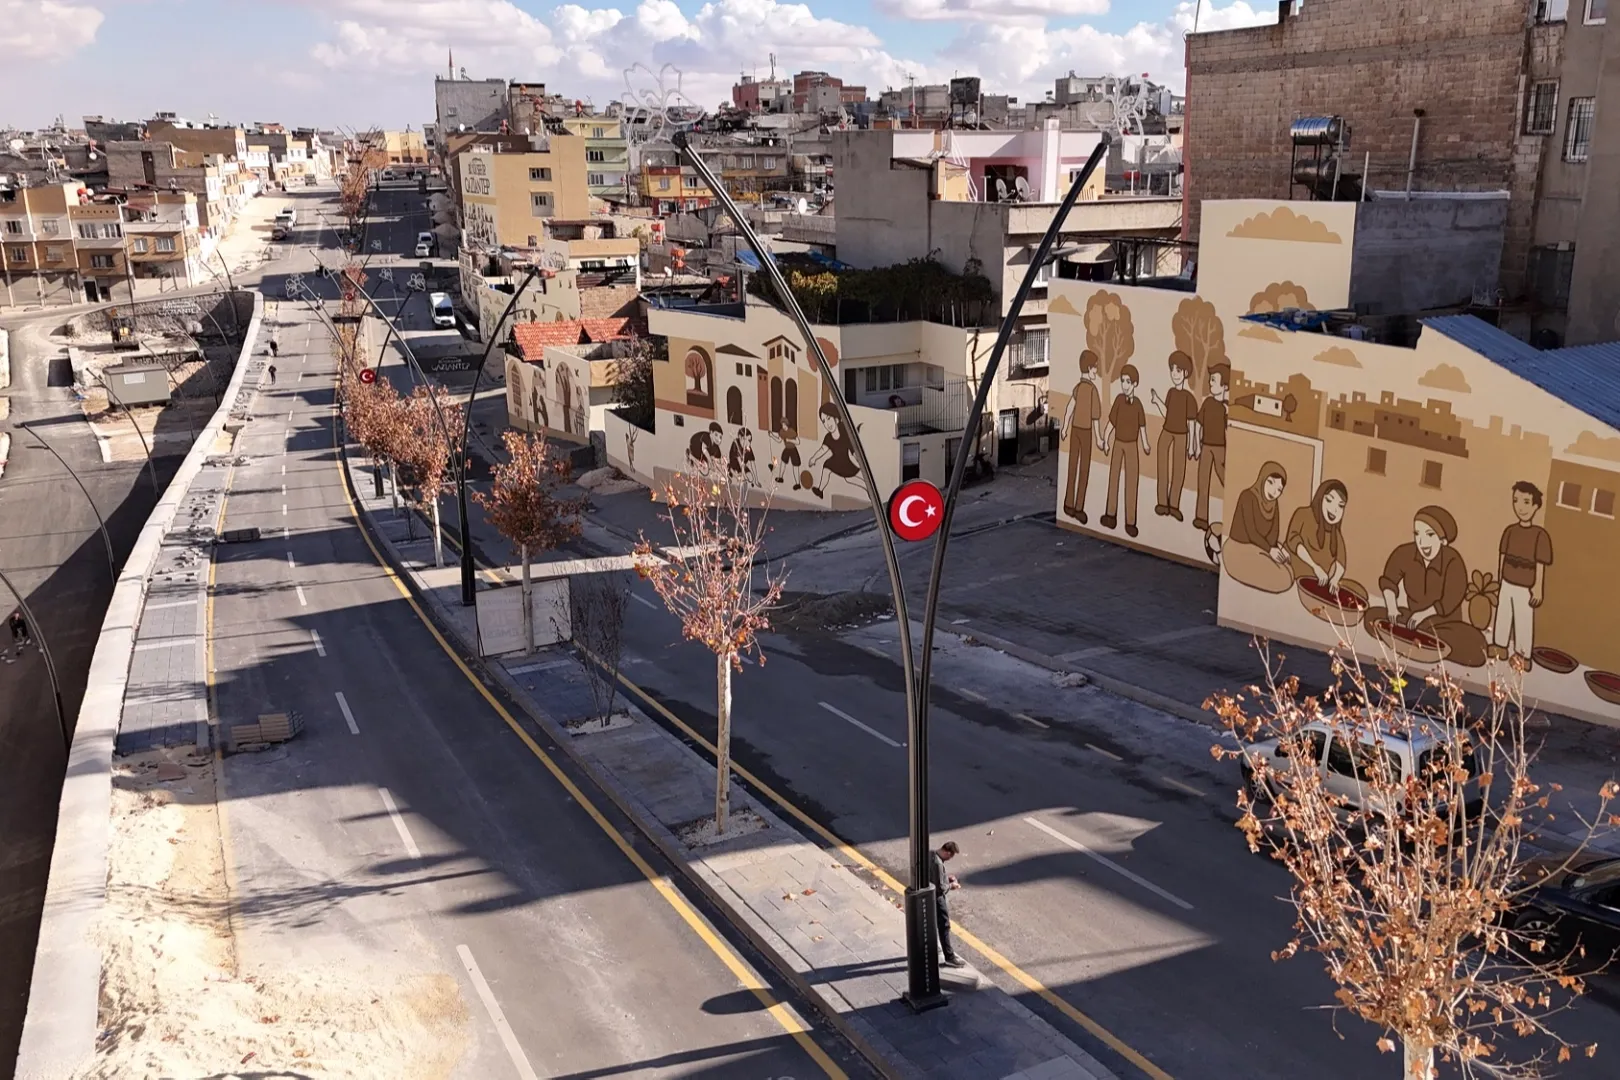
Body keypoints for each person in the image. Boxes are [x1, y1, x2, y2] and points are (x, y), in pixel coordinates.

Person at [1374, 505, 1487, 668]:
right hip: (1412, 621)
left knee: (1475, 648)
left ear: (1443, 540)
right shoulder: (1406, 553)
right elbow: (1389, 579)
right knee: (1374, 617)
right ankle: (1417, 645)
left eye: (1429, 535)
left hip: (1443, 626)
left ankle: (1421, 645)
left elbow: (1451, 598)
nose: (1422, 542)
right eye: (1417, 534)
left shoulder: (1453, 561)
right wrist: (1392, 607)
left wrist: (1424, 614)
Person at [1491, 481, 1553, 665]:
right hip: (1507, 582)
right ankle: (1500, 646)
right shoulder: (1510, 531)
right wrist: (1499, 580)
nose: (1520, 507)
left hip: (1525, 586)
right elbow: (1502, 557)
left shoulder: (1540, 535)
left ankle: (1522, 655)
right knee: (1503, 615)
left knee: (1523, 620)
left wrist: (1538, 588)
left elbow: (1541, 564)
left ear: (1535, 506)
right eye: (1516, 501)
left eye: (1526, 502)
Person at [1286, 478, 1365, 602]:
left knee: (1359, 593)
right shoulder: (1303, 514)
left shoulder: (1336, 534)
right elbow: (1294, 542)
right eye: (1329, 500)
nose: (1334, 510)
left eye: (1340, 506)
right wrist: (1315, 567)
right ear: (1320, 499)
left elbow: (1341, 562)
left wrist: (1335, 579)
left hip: (1320, 583)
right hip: (1295, 575)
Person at [1224, 462, 1295, 594]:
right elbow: (1251, 532)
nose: (1274, 492)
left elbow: (1274, 533)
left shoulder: (1274, 504)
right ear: (1262, 478)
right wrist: (1270, 550)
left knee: (1289, 569)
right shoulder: (1247, 496)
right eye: (1271, 483)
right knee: (1283, 577)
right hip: (1239, 547)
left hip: (1260, 547)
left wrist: (1278, 548)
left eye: (1279, 490)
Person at [1099, 365, 1151, 538]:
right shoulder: (1119, 400)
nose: (1125, 385)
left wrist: (1145, 444)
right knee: (1113, 477)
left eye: (1128, 382)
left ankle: (1130, 522)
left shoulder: (1138, 405)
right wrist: (1105, 439)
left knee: (1131, 481)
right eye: (1123, 381)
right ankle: (1110, 515)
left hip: (1132, 445)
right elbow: (1111, 423)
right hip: (1118, 443)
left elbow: (1142, 427)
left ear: (1135, 384)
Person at [1150, 351, 1198, 521]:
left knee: (1179, 469)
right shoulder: (1171, 393)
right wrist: (1157, 401)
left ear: (1185, 373)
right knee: (1162, 466)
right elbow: (1167, 413)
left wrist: (1192, 445)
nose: (1174, 374)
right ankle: (1162, 502)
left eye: (1178, 370)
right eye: (1172, 370)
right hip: (1167, 431)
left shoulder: (1189, 398)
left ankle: (1174, 505)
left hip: (1181, 435)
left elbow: (1192, 423)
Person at [1061, 350, 1106, 524]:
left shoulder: (1080, 388)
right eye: (1095, 368)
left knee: (1074, 467)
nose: (1096, 371)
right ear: (1089, 368)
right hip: (1084, 432)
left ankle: (1070, 504)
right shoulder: (1091, 390)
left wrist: (1065, 427)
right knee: (1082, 469)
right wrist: (1099, 438)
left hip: (1077, 431)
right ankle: (1077, 507)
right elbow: (1094, 418)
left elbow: (1070, 408)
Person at [1191, 364, 1230, 532]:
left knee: (1225, 479)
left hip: (1220, 448)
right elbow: (1198, 424)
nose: (1210, 383)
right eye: (1210, 379)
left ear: (1225, 386)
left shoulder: (1226, 407)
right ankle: (1201, 518)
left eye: (1214, 380)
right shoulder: (1207, 403)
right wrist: (1197, 445)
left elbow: (1229, 430)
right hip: (1206, 446)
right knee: (1203, 481)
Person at [808, 403, 860, 499]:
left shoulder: (844, 429)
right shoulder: (828, 437)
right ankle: (820, 490)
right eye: (824, 421)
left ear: (836, 418)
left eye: (829, 418)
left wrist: (858, 460)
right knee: (827, 467)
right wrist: (813, 458)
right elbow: (823, 449)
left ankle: (869, 490)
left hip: (849, 462)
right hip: (838, 461)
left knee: (851, 479)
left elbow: (853, 446)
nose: (827, 424)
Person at [930, 840, 965, 968]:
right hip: (937, 898)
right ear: (947, 852)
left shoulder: (931, 854)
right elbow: (940, 888)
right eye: (950, 856)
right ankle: (949, 957)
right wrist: (951, 885)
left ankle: (932, 946)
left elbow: (934, 877)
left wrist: (945, 878)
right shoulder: (938, 864)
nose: (949, 859)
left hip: (929, 895)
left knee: (931, 923)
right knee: (944, 925)